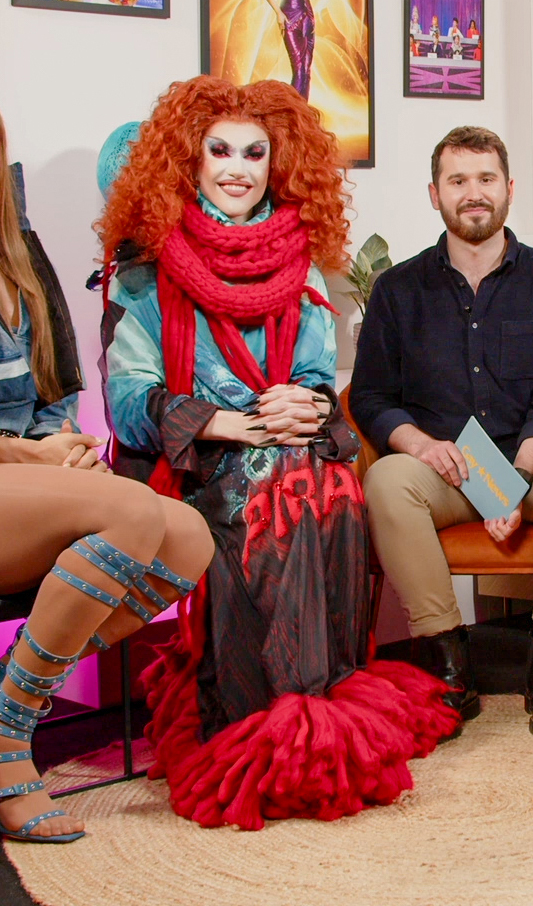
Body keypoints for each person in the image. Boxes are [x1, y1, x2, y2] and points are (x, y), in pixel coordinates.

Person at [97, 75, 456, 829]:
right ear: (188, 161)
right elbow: (128, 403)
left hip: (288, 452)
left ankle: (317, 706)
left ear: (278, 163)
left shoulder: (303, 271)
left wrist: (310, 404)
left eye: (254, 153)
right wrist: (228, 425)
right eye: (219, 150)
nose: (237, 168)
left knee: (328, 481)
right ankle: (257, 712)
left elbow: (320, 381)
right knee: (281, 480)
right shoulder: (145, 273)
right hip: (193, 463)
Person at [0, 65, 214, 843]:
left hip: (4, 480)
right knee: (131, 512)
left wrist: (57, 444)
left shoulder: (16, 243)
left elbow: (55, 379)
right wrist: (14, 451)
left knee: (188, 536)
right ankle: (10, 744)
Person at [352, 125, 533, 740]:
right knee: (388, 480)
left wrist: (514, 484)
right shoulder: (396, 290)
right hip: (443, 471)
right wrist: (421, 445)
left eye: (486, 179)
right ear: (435, 194)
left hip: (531, 464)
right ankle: (449, 664)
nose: (474, 192)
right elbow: (370, 396)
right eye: (458, 180)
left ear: (508, 189)